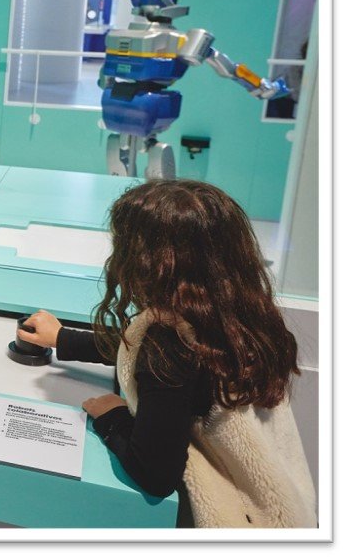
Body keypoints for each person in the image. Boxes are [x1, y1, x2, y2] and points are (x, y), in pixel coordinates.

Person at [16, 179, 316, 528]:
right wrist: (64, 339)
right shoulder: (238, 311)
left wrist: (112, 417)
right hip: (287, 510)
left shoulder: (170, 346)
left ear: (147, 262)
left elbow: (154, 473)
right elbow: (141, 351)